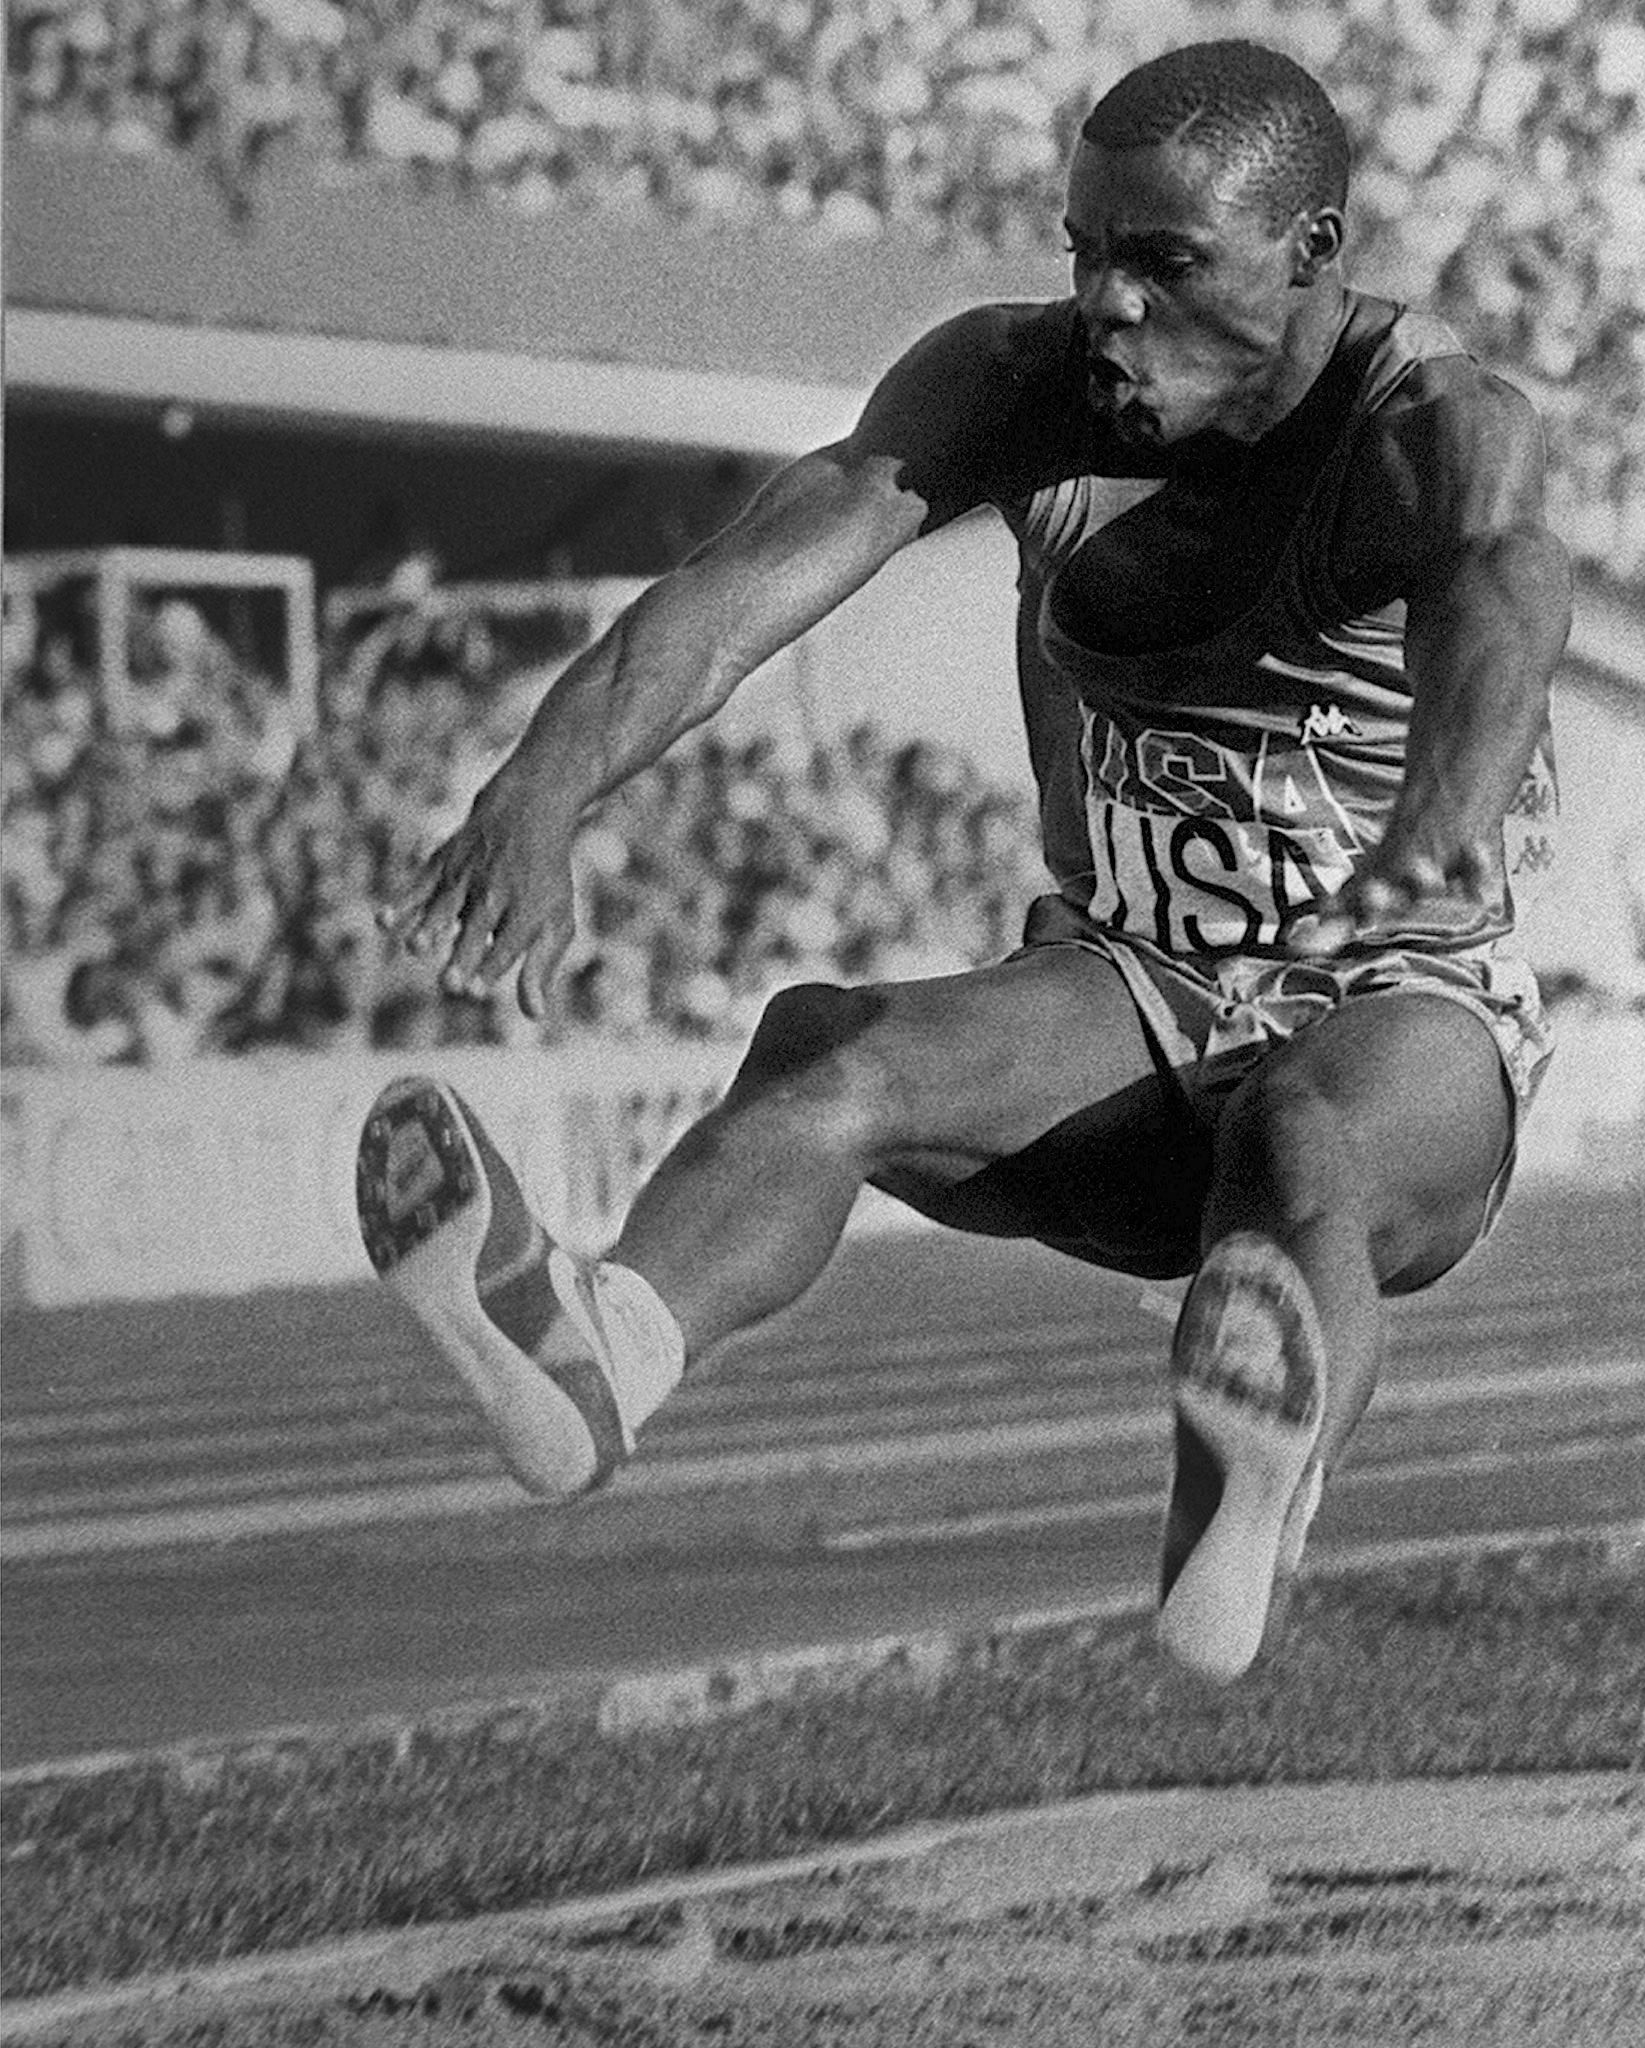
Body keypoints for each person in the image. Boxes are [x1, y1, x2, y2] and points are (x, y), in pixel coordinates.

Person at [358, 38, 1572, 1683]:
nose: (1107, 306)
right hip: (1145, 992)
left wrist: (1433, 830)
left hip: (1398, 996)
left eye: (1163, 262)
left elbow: (1502, 599)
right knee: (825, 1048)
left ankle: (1246, 1496)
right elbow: (745, 585)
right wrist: (541, 786)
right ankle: (598, 1353)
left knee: (1301, 1143)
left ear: (1312, 256)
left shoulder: (1426, 421)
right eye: (1084, 250)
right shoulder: (1016, 387)